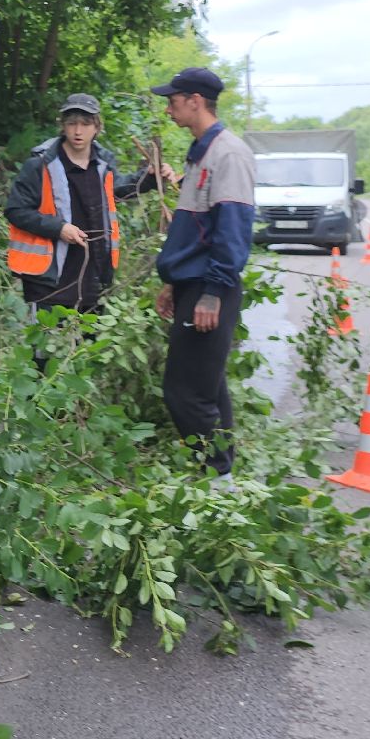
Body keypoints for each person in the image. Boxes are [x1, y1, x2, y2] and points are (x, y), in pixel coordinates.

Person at [148, 67, 256, 479]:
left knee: (184, 392)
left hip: (211, 287)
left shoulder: (228, 154)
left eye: (173, 100)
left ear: (195, 101)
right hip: (194, 283)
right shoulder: (201, 153)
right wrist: (175, 282)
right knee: (208, 388)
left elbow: (233, 230)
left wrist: (213, 291)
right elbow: (194, 229)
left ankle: (217, 477)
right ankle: (223, 475)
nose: (168, 106)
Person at [4, 93, 171, 327]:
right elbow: (16, 210)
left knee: (88, 351)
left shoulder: (102, 164)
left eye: (85, 124)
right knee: (44, 355)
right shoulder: (40, 165)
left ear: (97, 127)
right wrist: (59, 228)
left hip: (93, 276)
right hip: (49, 280)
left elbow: (118, 189)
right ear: (62, 126)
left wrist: (151, 179)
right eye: (72, 123)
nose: (78, 131)